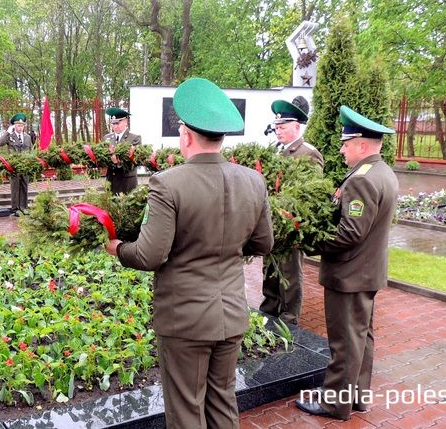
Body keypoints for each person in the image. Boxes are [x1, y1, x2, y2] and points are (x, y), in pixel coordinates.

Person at [105, 78, 274, 428]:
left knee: (186, 411)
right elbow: (263, 244)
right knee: (223, 402)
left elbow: (150, 255)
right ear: (221, 137)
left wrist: (118, 247)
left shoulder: (168, 183)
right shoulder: (253, 181)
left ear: (185, 135)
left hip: (185, 320)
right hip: (230, 313)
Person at [296, 105, 398, 421]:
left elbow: (349, 233)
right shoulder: (383, 172)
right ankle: (357, 397)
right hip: (367, 272)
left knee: (344, 342)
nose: (341, 149)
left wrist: (310, 242)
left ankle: (334, 403)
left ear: (362, 145)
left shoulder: (361, 180)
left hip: (349, 273)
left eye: (346, 143)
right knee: (362, 338)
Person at [259, 96, 323, 325]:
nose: (278, 131)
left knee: (290, 271)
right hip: (272, 221)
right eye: (276, 127)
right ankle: (269, 307)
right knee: (270, 265)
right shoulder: (277, 150)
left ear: (296, 127)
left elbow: (312, 193)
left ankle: (289, 316)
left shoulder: (308, 153)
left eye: (282, 127)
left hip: (291, 223)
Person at [0, 113, 32, 216]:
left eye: (22, 125)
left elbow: (30, 151)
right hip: (14, 167)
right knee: (15, 187)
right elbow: (0, 143)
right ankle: (15, 208)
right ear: (14, 126)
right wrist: (7, 132)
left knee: (24, 186)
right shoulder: (10, 136)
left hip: (25, 166)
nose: (20, 127)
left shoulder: (27, 137)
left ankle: (24, 207)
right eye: (18, 125)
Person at [103, 108, 142, 194]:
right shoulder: (106, 138)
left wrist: (118, 163)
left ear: (126, 122)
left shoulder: (134, 138)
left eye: (118, 123)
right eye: (113, 123)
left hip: (127, 183)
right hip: (111, 181)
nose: (115, 126)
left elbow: (135, 161)